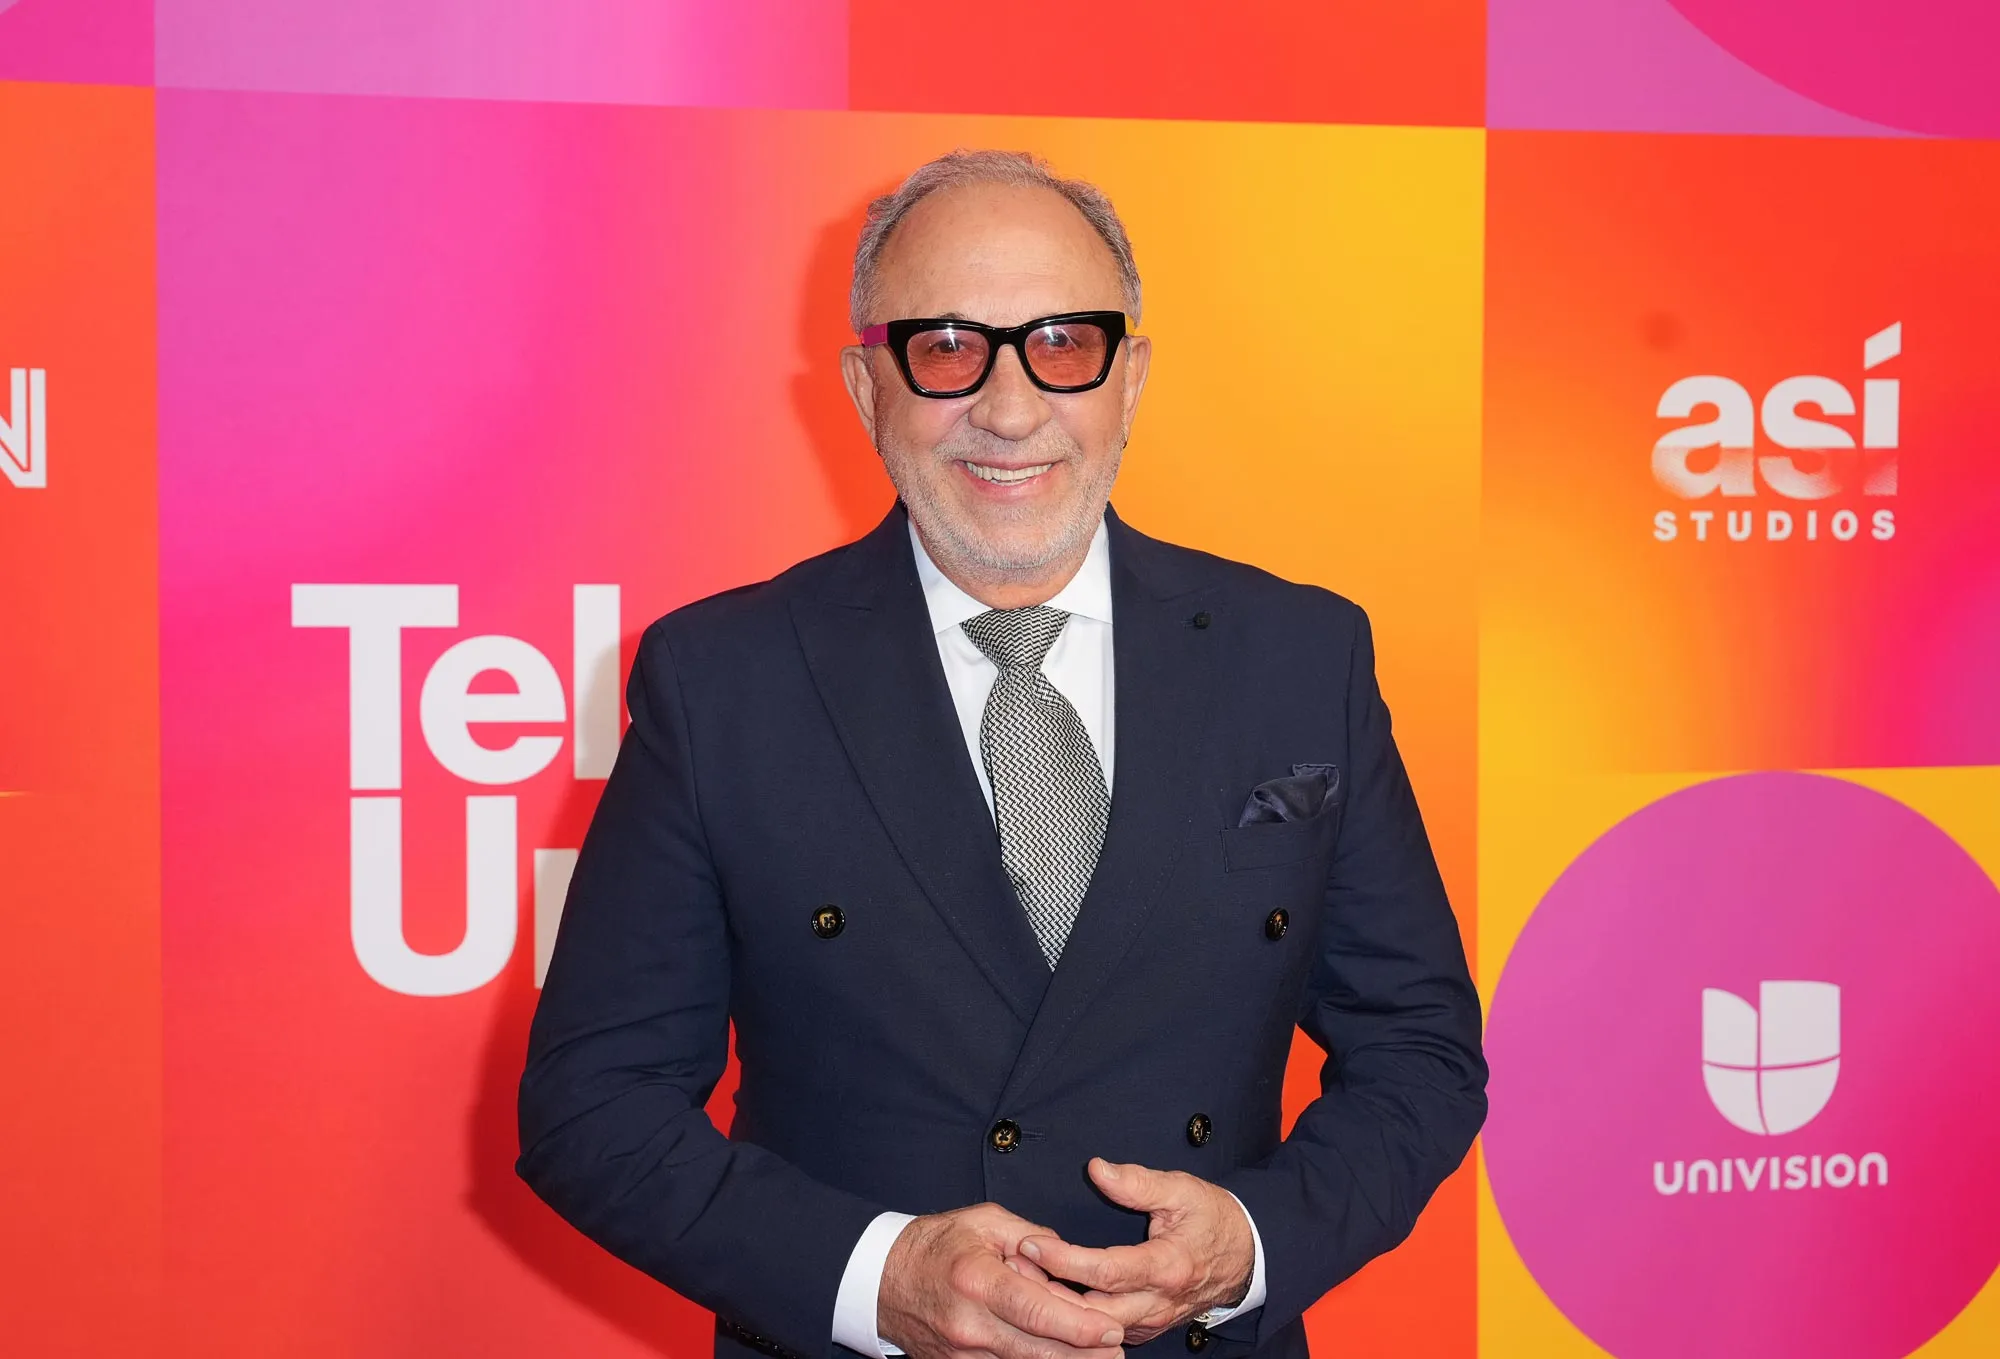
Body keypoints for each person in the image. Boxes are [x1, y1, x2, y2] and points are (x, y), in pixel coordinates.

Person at [517, 149, 1486, 1359]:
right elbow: (592, 1107)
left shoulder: (1299, 656)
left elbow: (1421, 1052)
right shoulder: (721, 680)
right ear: (869, 389)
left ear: (1128, 379)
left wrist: (1252, 1238)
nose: (1010, 409)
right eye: (946, 349)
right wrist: (872, 1279)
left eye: (1062, 345)